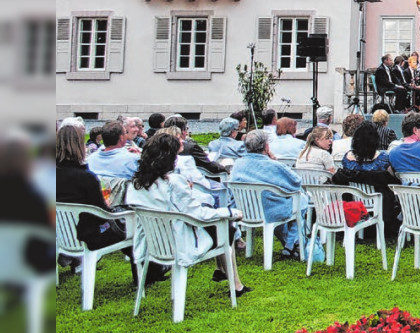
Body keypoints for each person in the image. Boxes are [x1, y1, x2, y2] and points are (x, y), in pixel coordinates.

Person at [126, 133, 249, 295]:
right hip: (179, 243)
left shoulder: (136, 184)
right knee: (227, 227)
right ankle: (235, 284)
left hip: (150, 243)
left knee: (221, 226)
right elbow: (199, 214)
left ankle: (224, 273)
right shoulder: (174, 182)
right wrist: (230, 212)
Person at [56, 125, 167, 284]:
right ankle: (148, 275)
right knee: (134, 228)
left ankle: (152, 272)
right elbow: (102, 212)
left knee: (123, 227)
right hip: (89, 235)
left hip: (60, 235)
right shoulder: (86, 178)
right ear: (79, 146)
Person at [229, 130, 306, 259]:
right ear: (266, 146)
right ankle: (291, 243)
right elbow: (296, 182)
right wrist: (275, 160)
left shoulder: (238, 164)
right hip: (270, 211)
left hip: (245, 210)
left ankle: (290, 243)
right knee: (302, 199)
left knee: (291, 200)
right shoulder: (272, 165)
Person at [332, 123, 401, 237]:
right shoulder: (382, 158)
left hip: (354, 200)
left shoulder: (347, 158)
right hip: (377, 200)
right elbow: (391, 179)